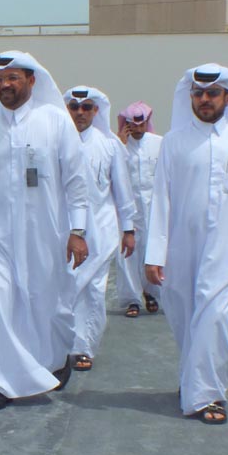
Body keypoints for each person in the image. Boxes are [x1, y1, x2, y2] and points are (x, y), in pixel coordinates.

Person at [144, 64, 228, 424]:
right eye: (198, 93)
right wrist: (155, 254)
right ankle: (194, 381)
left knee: (218, 320)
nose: (205, 99)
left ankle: (209, 396)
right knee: (186, 319)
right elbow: (161, 201)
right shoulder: (174, 142)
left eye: (212, 93)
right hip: (182, 252)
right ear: (190, 96)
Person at [0, 51, 89, 410]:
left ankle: (54, 359)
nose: (5, 85)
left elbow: (77, 180)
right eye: (0, 79)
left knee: (48, 305)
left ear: (32, 80)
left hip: (46, 234)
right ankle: (1, 384)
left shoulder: (55, 121)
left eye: (13, 78)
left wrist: (78, 230)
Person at [63, 86, 136, 372]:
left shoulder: (110, 145)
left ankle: (83, 347)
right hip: (63, 230)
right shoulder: (55, 142)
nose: (80, 112)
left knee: (93, 290)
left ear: (96, 110)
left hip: (101, 231)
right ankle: (61, 343)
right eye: (74, 107)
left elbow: (122, 189)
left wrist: (128, 229)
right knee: (65, 287)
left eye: (86, 107)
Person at [115, 102, 164, 318]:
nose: (138, 128)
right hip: (128, 210)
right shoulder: (118, 145)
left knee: (151, 252)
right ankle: (132, 299)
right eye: (133, 124)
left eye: (141, 123)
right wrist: (121, 145)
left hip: (153, 209)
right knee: (128, 255)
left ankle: (151, 293)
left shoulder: (159, 143)